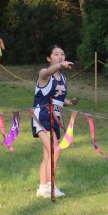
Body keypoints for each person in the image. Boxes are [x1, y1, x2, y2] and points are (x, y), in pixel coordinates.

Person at [32, 45, 74, 198]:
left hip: (55, 118)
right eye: (56, 54)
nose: (60, 56)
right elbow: (48, 72)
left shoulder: (62, 77)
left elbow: (58, 99)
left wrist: (70, 102)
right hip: (42, 117)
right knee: (56, 149)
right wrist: (59, 65)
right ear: (48, 58)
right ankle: (51, 187)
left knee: (47, 155)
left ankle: (42, 188)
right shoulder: (44, 74)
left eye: (62, 54)